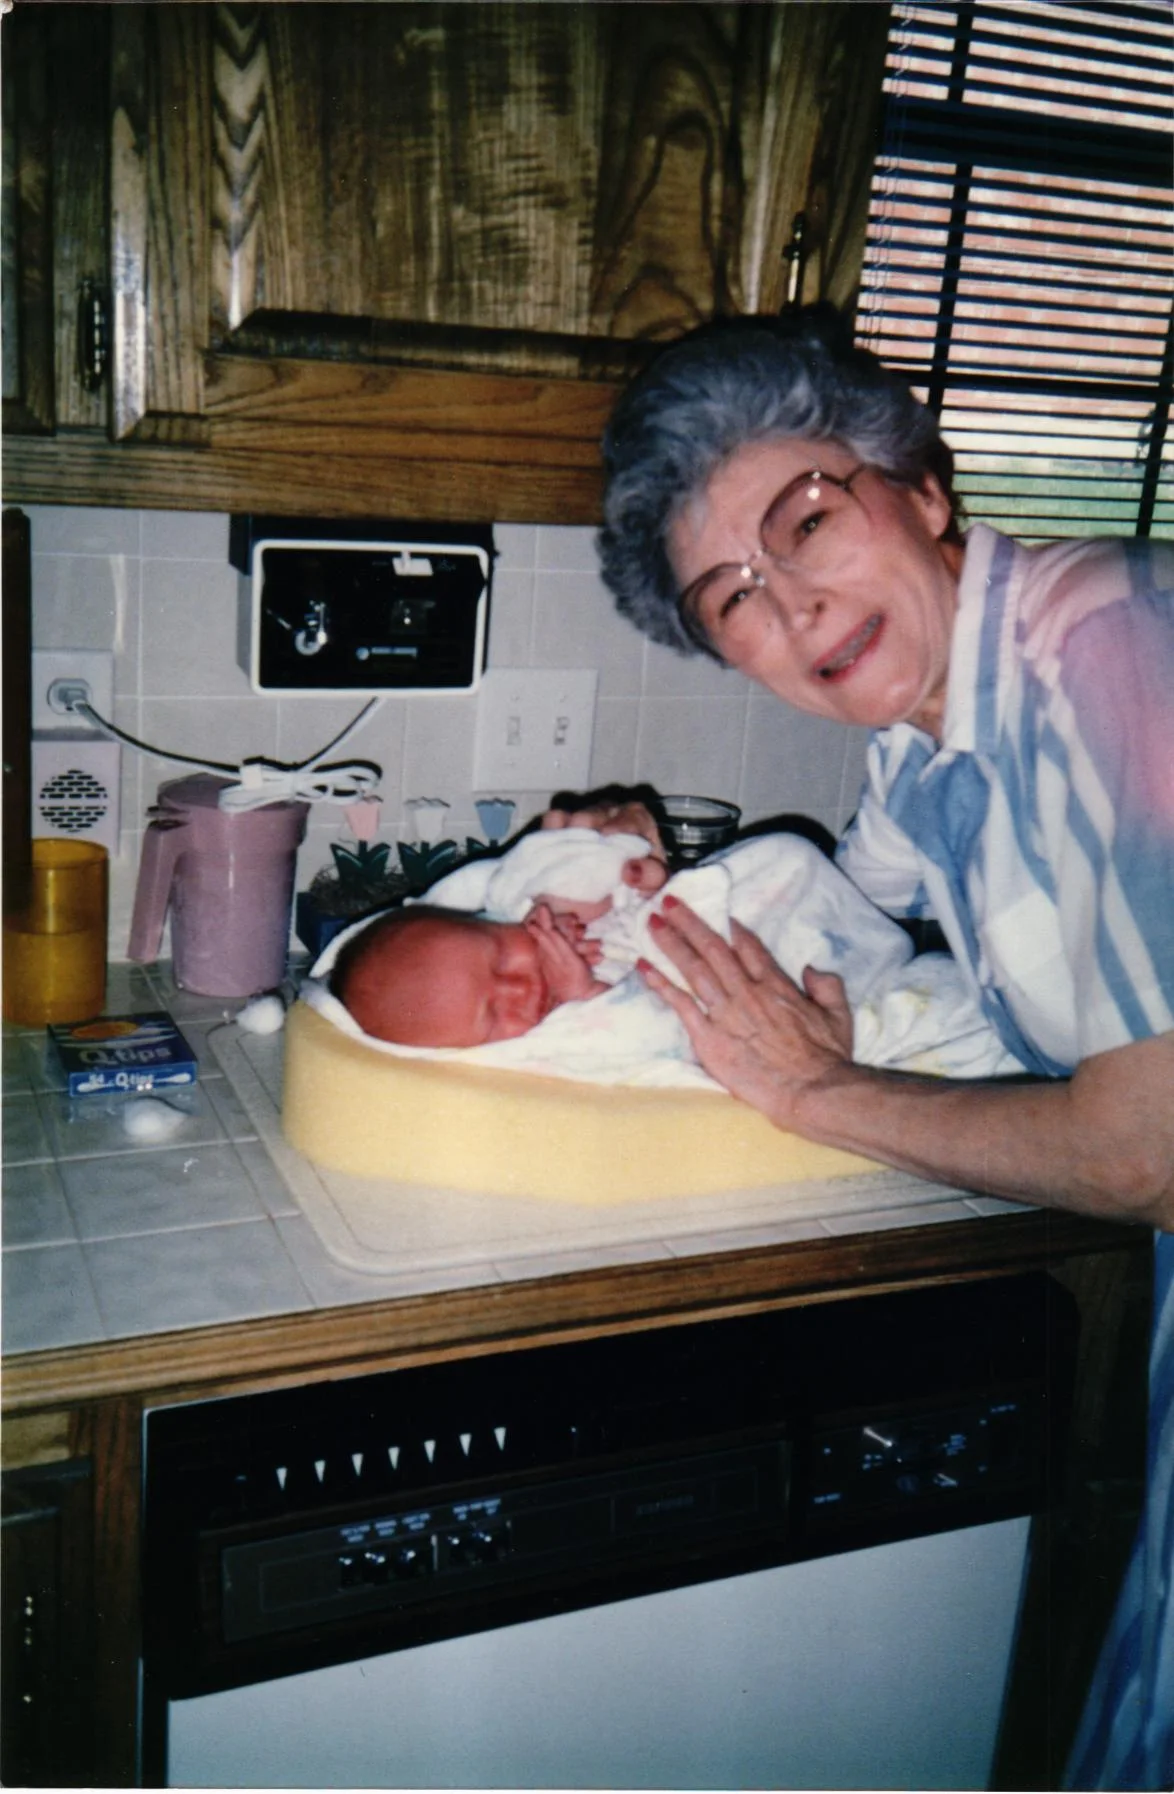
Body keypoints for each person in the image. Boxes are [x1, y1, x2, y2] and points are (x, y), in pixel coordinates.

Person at [578, 305, 1173, 1789]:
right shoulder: (926, 738)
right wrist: (617, 873)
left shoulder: (1109, 643)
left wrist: (816, 1091)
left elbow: (1147, 1150)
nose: (791, 608)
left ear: (919, 485)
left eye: (806, 521)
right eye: (731, 597)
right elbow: (846, 913)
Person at [327, 822, 1023, 1089]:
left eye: (501, 959)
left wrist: (637, 885)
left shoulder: (538, 916)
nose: (520, 991)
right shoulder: (560, 1032)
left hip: (774, 941)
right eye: (491, 1016)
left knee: (779, 856)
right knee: (944, 1003)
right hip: (782, 1004)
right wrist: (585, 995)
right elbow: (650, 1031)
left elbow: (598, 871)